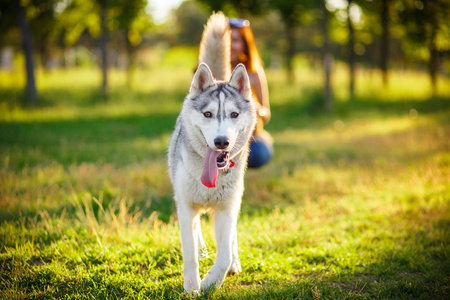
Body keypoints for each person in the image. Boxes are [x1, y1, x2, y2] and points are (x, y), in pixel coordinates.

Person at [228, 18, 273, 168]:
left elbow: (266, 114)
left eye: (234, 40)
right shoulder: (211, 71)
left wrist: (255, 107)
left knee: (257, 154)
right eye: (225, 40)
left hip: (251, 137)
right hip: (220, 137)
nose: (229, 45)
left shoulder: (254, 72)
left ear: (244, 44)